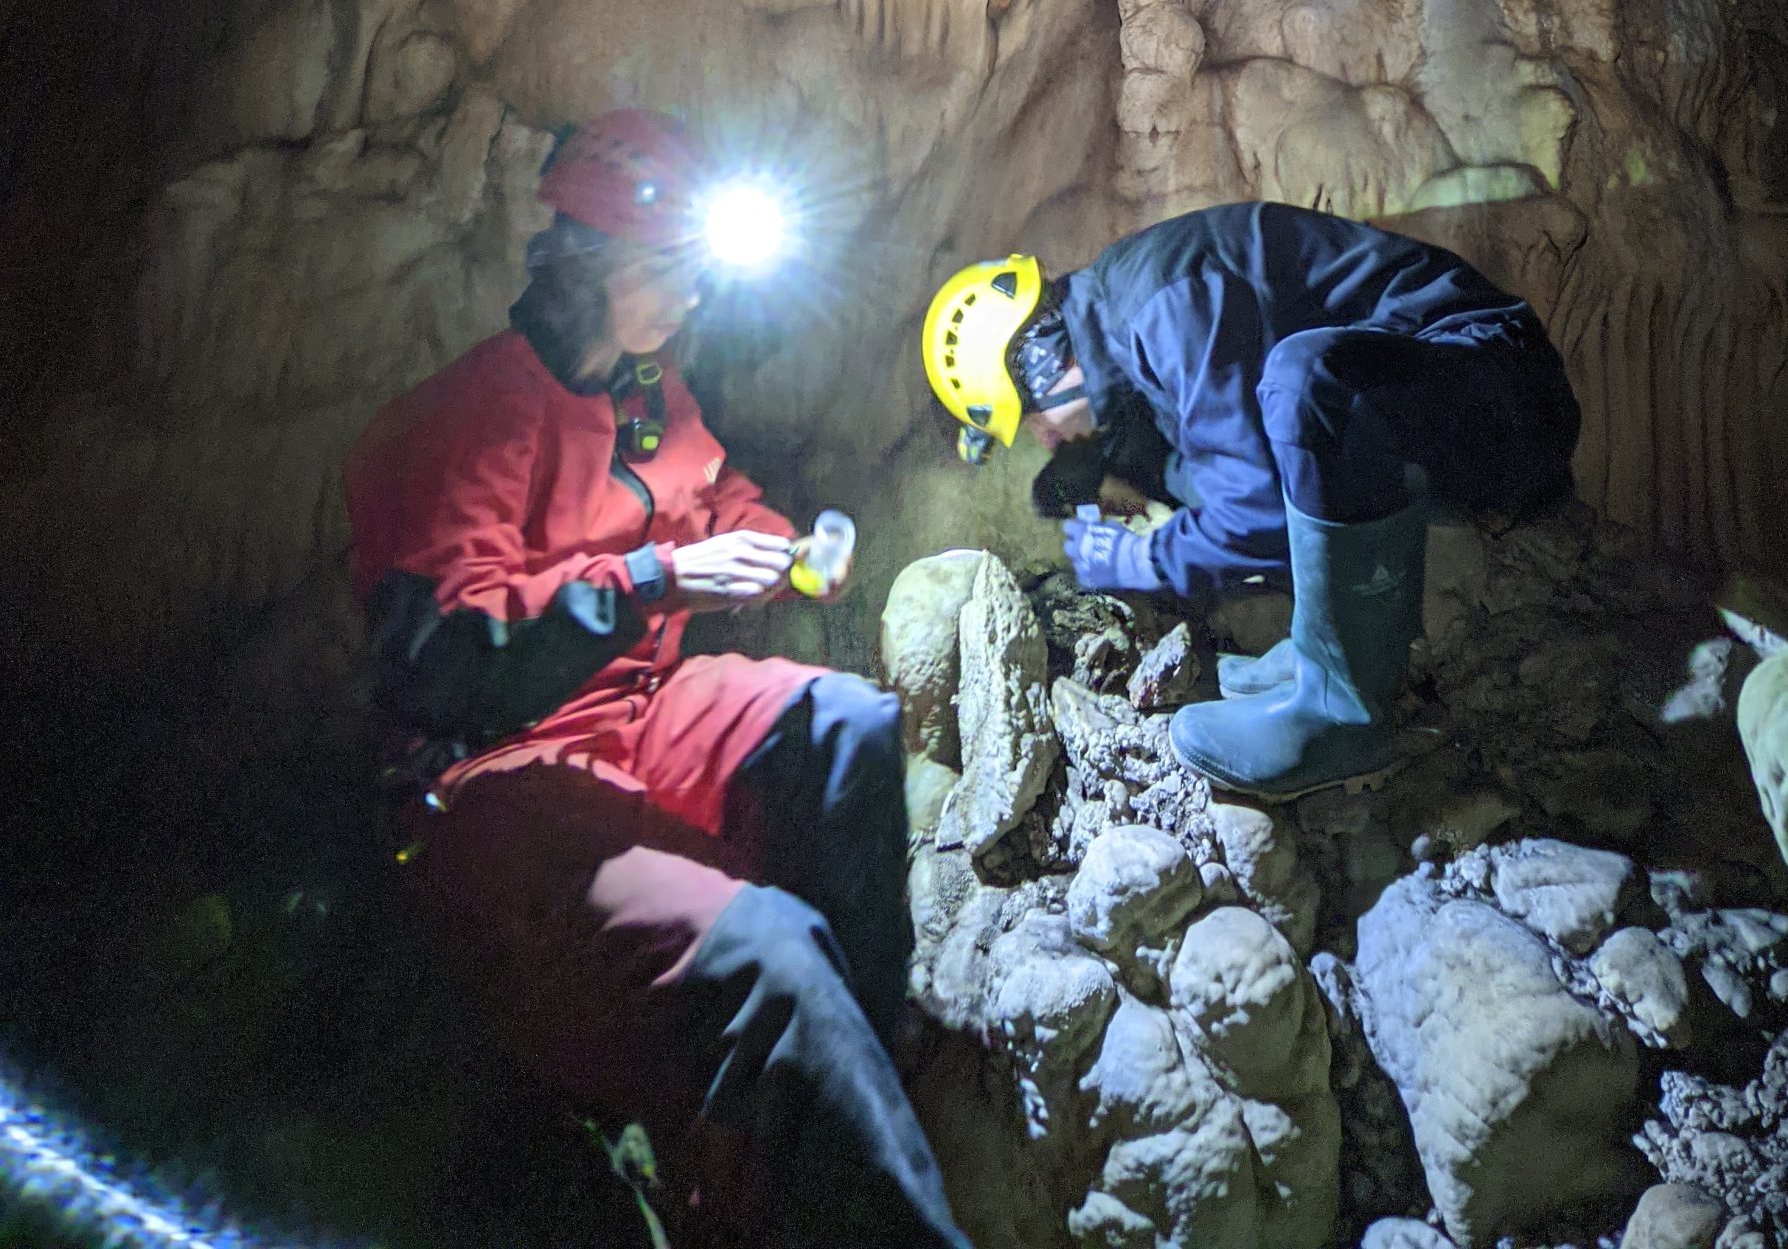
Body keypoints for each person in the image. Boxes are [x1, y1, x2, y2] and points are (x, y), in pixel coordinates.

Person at [344, 109, 969, 1249]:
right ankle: (795, 1148)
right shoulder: (463, 418)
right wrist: (651, 578)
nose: (689, 295)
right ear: (587, 263)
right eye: (668, 268)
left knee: (845, 722)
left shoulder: (646, 391)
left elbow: (713, 500)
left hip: (637, 715)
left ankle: (853, 1058)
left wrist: (789, 552)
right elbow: (444, 661)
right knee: (769, 949)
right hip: (496, 771)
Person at [923, 201, 1579, 800]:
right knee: (1241, 438)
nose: (1043, 438)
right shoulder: (1128, 323)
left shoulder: (1162, 305)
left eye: (1031, 418)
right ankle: (1320, 648)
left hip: (1502, 387)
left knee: (1306, 381)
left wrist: (1143, 557)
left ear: (1042, 365)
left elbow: (1258, 511)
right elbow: (1229, 473)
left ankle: (1343, 717)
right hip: (1437, 401)